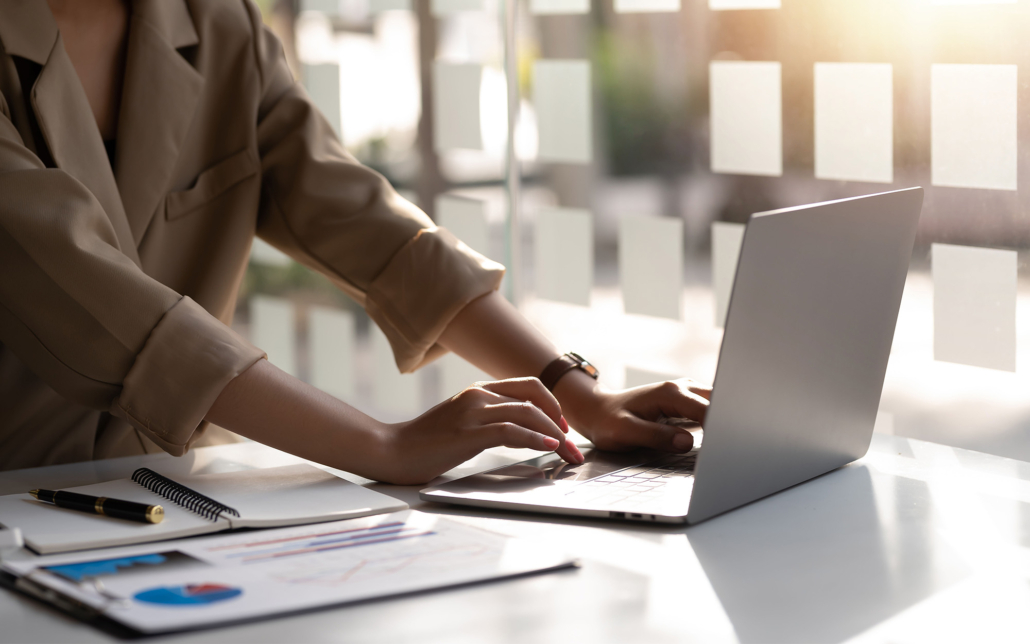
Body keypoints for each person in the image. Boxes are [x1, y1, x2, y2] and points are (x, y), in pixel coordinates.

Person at [0, 0, 710, 481]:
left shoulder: (218, 23)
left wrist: (576, 394)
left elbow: (356, 214)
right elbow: (81, 285)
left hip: (170, 490)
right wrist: (384, 444)